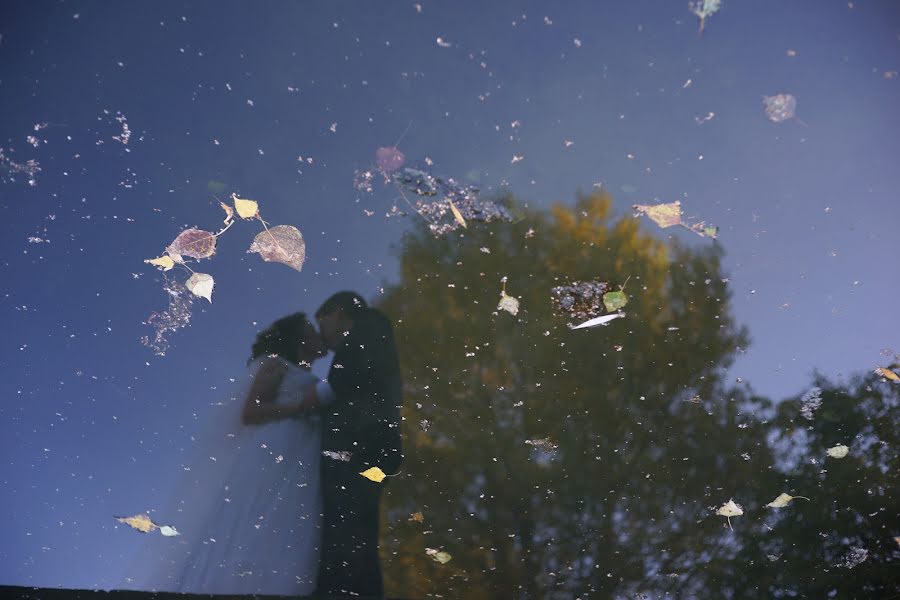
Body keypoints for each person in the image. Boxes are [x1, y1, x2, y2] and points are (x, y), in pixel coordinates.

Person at [121, 312, 327, 596]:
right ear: (299, 339)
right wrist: (301, 406)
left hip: (298, 456)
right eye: (311, 331)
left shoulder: (305, 374)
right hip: (273, 452)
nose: (318, 336)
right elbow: (251, 411)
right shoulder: (276, 365)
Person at [306, 291, 403, 599]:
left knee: (347, 545)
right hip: (367, 455)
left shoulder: (369, 326)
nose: (323, 335)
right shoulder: (368, 333)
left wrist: (312, 402)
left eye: (322, 323)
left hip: (361, 455)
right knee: (355, 540)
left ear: (336, 313)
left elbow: (350, 384)